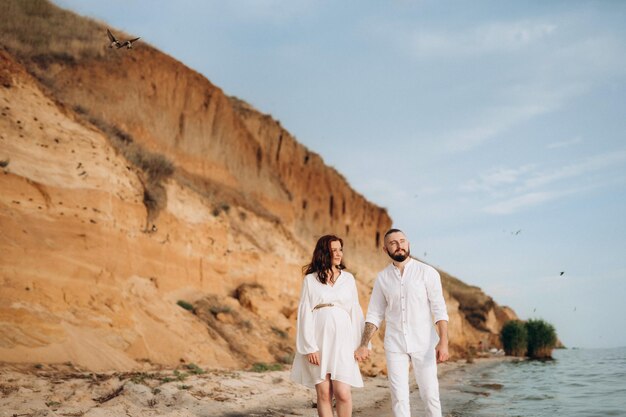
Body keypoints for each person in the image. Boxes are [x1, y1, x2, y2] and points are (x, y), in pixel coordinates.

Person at [354, 228, 449, 417]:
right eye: (393, 243)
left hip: (424, 343)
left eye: (402, 241)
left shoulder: (427, 272)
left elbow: (439, 309)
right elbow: (374, 314)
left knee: (430, 395)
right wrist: (364, 344)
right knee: (399, 397)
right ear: (385, 249)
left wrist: (443, 341)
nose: (399, 246)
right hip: (395, 344)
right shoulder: (382, 278)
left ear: (408, 244)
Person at [291, 234, 367, 417]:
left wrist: (363, 345)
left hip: (343, 341)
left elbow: (355, 313)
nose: (339, 253)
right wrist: (310, 347)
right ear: (324, 252)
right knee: (324, 393)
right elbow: (305, 313)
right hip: (318, 341)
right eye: (334, 250)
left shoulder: (348, 279)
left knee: (343, 393)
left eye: (340, 249)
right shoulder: (310, 280)